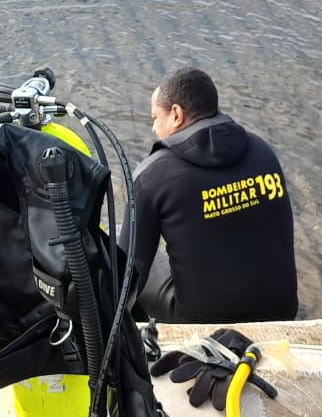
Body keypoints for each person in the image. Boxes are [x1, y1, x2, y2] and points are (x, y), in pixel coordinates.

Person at [128, 67, 298, 323]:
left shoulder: (153, 175)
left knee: (120, 253)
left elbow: (129, 274)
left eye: (155, 117)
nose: (153, 128)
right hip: (281, 310)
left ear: (176, 114)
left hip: (200, 320)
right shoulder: (263, 152)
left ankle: (145, 344)